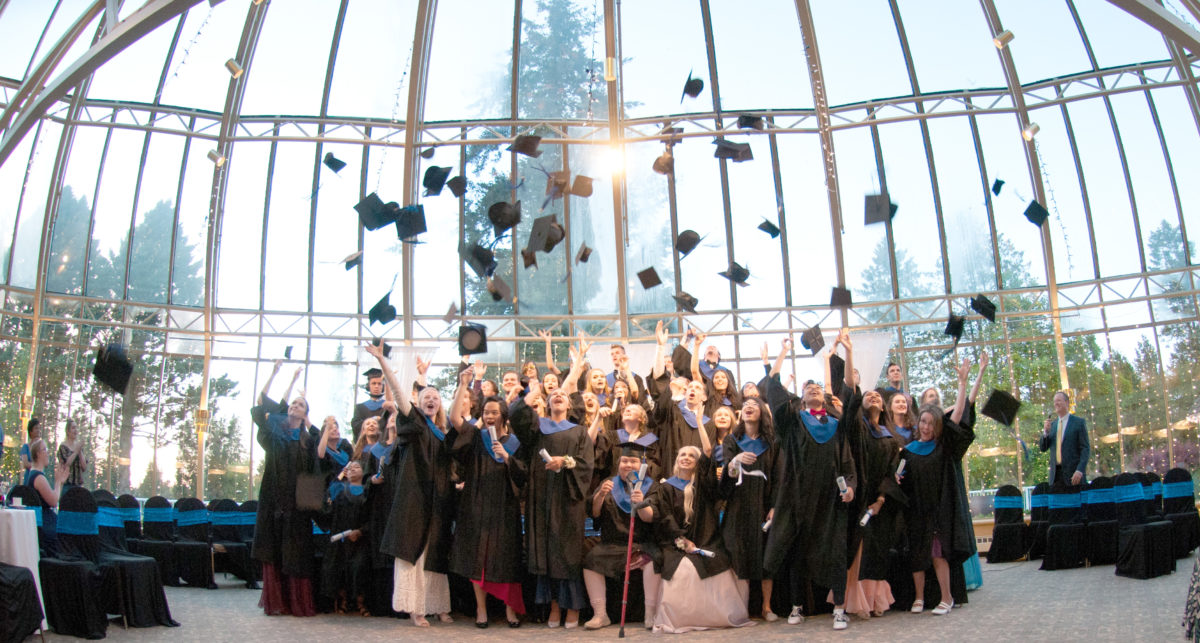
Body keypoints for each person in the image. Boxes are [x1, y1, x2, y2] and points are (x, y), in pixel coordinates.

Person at [762, 371, 857, 630]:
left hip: (830, 500)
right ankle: (796, 606)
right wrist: (778, 360)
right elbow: (777, 400)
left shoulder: (836, 426)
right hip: (799, 498)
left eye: (818, 388)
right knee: (798, 553)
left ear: (824, 399)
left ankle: (839, 609)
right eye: (808, 388)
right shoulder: (794, 423)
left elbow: (847, 462)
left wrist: (849, 487)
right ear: (801, 399)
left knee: (836, 553)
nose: (814, 389)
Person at [371, 346, 455, 627]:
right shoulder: (415, 423)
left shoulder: (442, 433)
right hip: (415, 499)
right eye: (426, 397)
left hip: (438, 500)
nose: (431, 400)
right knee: (414, 552)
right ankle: (415, 608)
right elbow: (400, 394)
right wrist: (382, 361)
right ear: (418, 403)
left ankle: (436, 605)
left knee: (435, 553)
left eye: (436, 398)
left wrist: (424, 378)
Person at [641, 444, 752, 633]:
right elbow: (665, 518)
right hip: (674, 542)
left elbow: (715, 476)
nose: (686, 458)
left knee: (719, 564)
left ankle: (717, 617)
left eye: (691, 456)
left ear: (698, 462)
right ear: (676, 460)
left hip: (706, 540)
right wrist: (681, 540)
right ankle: (679, 618)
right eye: (682, 454)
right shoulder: (665, 488)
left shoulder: (705, 487)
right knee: (682, 569)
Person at [509, 381, 594, 629]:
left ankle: (573, 607)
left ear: (569, 404)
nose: (558, 395)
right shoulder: (538, 429)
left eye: (563, 395)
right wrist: (534, 391)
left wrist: (564, 461)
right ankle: (555, 605)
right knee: (546, 551)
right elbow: (516, 415)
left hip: (569, 499)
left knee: (567, 553)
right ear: (547, 403)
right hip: (542, 496)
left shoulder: (579, 431)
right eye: (553, 394)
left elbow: (587, 464)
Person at [833, 330, 903, 619]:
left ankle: (874, 600)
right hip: (857, 497)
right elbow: (850, 390)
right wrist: (849, 352)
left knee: (877, 551)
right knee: (857, 549)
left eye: (877, 395)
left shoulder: (891, 438)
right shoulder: (856, 427)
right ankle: (854, 600)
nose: (873, 396)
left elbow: (892, 472)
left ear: (883, 406)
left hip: (878, 503)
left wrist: (881, 500)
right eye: (868, 395)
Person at [447, 376, 527, 629]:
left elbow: (523, 476)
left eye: (494, 412)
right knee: (478, 558)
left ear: (504, 416)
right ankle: (481, 610)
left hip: (505, 506)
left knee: (507, 557)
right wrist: (463, 385)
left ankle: (510, 609)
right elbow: (454, 419)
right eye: (486, 412)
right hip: (478, 503)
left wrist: (508, 459)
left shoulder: (515, 444)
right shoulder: (476, 437)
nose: (489, 416)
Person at [897, 358, 975, 617]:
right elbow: (900, 476)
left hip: (938, 511)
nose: (926, 427)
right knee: (917, 556)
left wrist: (962, 383)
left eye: (931, 423)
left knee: (938, 554)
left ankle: (947, 597)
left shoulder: (942, 448)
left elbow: (958, 415)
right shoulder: (908, 451)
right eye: (923, 422)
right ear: (918, 423)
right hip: (916, 512)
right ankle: (919, 598)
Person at [250, 360, 320, 617]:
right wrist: (276, 373)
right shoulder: (274, 435)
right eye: (293, 403)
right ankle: (276, 601)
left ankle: (296, 602)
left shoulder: (308, 442)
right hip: (273, 501)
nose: (294, 406)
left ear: (305, 414)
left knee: (295, 553)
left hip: (297, 508)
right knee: (274, 549)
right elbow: (261, 405)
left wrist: (310, 508)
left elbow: (313, 475)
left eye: (300, 404)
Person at [582, 442, 661, 630]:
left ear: (642, 465)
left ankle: (650, 614)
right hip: (613, 544)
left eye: (633, 461)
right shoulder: (609, 483)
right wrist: (600, 495)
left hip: (641, 544)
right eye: (624, 461)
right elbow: (595, 513)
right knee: (591, 560)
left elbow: (651, 518)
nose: (628, 465)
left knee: (654, 561)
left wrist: (640, 503)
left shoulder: (651, 486)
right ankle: (600, 614)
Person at [718, 396, 778, 621]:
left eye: (753, 406)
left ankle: (767, 607)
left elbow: (779, 476)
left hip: (763, 503)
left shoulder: (772, 442)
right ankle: (740, 607)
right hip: (738, 504)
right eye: (745, 406)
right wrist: (735, 461)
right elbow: (728, 477)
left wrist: (775, 506)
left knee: (765, 554)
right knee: (737, 553)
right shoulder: (732, 440)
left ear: (762, 412)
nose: (748, 408)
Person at [321, 460, 372, 616]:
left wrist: (360, 531)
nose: (352, 469)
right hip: (341, 540)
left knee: (360, 566)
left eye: (357, 467)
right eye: (349, 469)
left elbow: (374, 516)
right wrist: (339, 477)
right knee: (339, 567)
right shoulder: (339, 490)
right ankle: (343, 600)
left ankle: (360, 602)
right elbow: (327, 506)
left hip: (362, 540)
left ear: (364, 472)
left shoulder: (368, 492)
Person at [24, 439, 66, 556]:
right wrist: (58, 482)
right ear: (38, 454)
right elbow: (53, 501)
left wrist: (60, 482)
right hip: (46, 526)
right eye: (45, 450)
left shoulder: (34, 475)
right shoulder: (38, 478)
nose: (48, 453)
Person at [1039, 391, 1090, 487]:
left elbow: (1085, 449)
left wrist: (1080, 470)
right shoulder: (1052, 425)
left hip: (1074, 475)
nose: (1056, 403)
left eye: (1058, 400)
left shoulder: (1078, 423)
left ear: (1067, 402)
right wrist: (1046, 433)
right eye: (1054, 401)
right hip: (1056, 477)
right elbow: (1043, 448)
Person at [351, 367, 387, 443]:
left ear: (383, 386)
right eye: (374, 383)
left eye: (379, 384)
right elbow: (356, 427)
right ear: (368, 386)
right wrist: (373, 419)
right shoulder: (360, 408)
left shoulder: (387, 407)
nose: (376, 386)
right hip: (365, 445)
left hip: (383, 445)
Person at [56, 419, 88, 491]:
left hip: (78, 485)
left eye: (76, 428)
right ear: (68, 431)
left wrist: (79, 451)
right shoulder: (63, 447)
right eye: (73, 428)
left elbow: (84, 467)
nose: (75, 430)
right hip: (67, 485)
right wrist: (76, 451)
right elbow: (67, 464)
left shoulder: (78, 447)